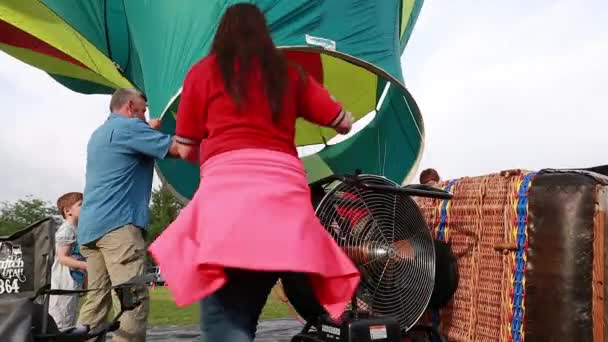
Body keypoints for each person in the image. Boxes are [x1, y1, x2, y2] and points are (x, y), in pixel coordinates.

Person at [148, 3, 361, 341]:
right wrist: (338, 108)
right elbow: (342, 122)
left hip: (226, 206)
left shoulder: (203, 72)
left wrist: (219, 151)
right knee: (244, 311)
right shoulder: (290, 73)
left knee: (224, 320)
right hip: (284, 211)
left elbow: (187, 148)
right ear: (265, 34)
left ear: (221, 33)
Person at [77, 88, 179, 342]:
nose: (145, 116)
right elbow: (177, 149)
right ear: (130, 106)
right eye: (143, 110)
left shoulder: (100, 134)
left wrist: (147, 130)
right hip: (118, 228)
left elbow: (133, 145)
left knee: (96, 302)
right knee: (130, 301)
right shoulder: (130, 128)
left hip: (90, 230)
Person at [48, 192, 87, 330]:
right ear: (68, 211)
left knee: (69, 321)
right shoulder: (66, 230)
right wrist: (87, 266)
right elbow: (63, 257)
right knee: (61, 324)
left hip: (72, 283)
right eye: (81, 204)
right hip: (63, 285)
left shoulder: (76, 230)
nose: (85, 207)